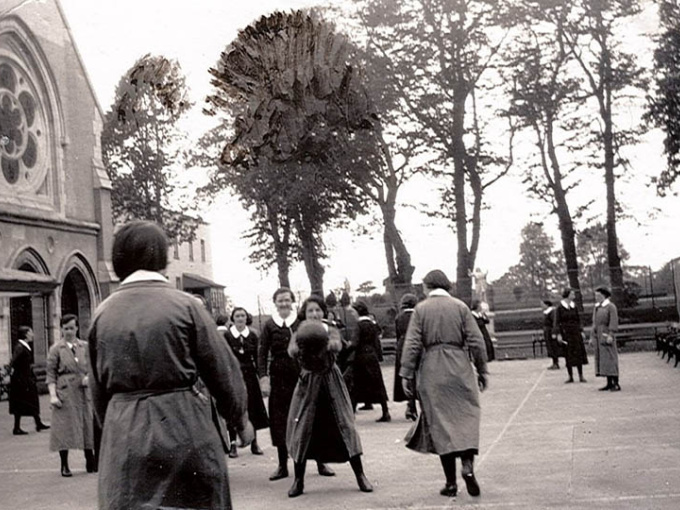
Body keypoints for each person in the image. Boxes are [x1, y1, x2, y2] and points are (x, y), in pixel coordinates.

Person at [88, 220, 251, 510]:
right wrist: (239, 420)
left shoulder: (102, 315)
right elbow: (222, 371)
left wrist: (117, 423)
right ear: (162, 258)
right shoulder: (187, 306)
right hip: (184, 426)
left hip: (124, 432)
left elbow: (99, 395)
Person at [400, 269, 488, 498]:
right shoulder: (460, 307)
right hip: (459, 366)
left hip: (432, 369)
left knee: (440, 425)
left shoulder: (420, 310)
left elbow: (412, 344)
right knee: (465, 419)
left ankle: (450, 483)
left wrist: (406, 373)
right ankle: (467, 467)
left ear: (428, 286)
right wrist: (482, 370)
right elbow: (477, 341)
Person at [285, 295, 373, 497]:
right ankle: (298, 481)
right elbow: (292, 351)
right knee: (302, 429)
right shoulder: (298, 331)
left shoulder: (330, 329)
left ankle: (360, 475)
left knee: (346, 426)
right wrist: (301, 342)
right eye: (310, 311)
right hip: (308, 384)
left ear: (323, 312)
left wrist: (322, 339)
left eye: (318, 310)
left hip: (331, 382)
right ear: (304, 314)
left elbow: (337, 346)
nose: (315, 314)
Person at [258, 287, 335, 481]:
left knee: (311, 417)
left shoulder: (301, 322)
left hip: (302, 375)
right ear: (274, 303)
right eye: (280, 300)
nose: (284, 303)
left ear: (292, 302)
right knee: (281, 421)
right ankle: (282, 465)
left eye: (287, 300)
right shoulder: (269, 325)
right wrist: (263, 377)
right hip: (279, 377)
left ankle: (320, 462)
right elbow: (262, 352)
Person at [46, 315, 95, 477]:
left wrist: (90, 377)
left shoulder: (85, 347)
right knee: (64, 428)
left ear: (77, 328)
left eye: (71, 328)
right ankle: (64, 465)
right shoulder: (56, 349)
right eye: (65, 328)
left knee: (87, 425)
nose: (69, 331)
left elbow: (94, 367)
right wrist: (53, 396)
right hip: (65, 392)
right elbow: (51, 374)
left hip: (83, 391)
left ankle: (90, 459)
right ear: (61, 329)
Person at [223, 307, 268, 457]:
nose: (240, 319)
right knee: (234, 408)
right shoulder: (228, 336)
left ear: (246, 318)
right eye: (237, 316)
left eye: (243, 316)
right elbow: (225, 358)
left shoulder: (253, 336)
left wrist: (262, 377)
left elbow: (258, 357)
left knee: (252, 408)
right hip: (234, 376)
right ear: (233, 318)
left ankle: (254, 442)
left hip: (249, 376)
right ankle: (233, 443)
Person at [346, 301, 390, 422]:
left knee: (356, 384)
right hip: (372, 356)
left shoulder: (359, 325)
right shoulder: (372, 324)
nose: (352, 314)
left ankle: (351, 414)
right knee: (377, 383)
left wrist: (345, 348)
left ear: (358, 311)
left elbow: (354, 343)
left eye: (353, 311)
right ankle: (385, 411)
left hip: (361, 357)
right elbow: (376, 342)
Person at [9, 326, 49, 435]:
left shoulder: (23, 346)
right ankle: (17, 427)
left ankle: (38, 423)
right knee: (23, 402)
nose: (33, 334)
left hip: (25, 378)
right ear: (26, 334)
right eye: (31, 332)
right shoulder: (20, 347)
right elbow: (13, 361)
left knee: (31, 401)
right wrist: (12, 373)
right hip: (21, 380)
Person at [553, 288, 588, 384]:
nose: (574, 295)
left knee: (578, 353)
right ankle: (570, 376)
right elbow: (557, 322)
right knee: (568, 354)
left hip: (575, 332)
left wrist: (581, 331)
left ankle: (581, 375)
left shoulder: (574, 306)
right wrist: (558, 334)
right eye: (572, 293)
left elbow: (578, 319)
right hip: (566, 333)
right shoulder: (559, 308)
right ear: (567, 295)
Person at [393, 293, 418, 421]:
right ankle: (414, 406)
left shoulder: (399, 317)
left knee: (406, 376)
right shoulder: (417, 315)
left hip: (402, 346)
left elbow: (398, 334)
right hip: (415, 344)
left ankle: (410, 404)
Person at [591, 287, 621, 391]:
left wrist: (611, 334)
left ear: (604, 296)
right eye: (595, 296)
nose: (596, 298)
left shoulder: (611, 307)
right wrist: (592, 336)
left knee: (611, 358)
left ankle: (616, 383)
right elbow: (594, 323)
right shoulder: (597, 307)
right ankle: (609, 382)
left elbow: (613, 321)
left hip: (606, 334)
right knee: (603, 360)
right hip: (598, 336)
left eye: (598, 296)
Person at [542, 300, 560, 369]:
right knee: (550, 347)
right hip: (547, 332)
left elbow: (554, 323)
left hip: (550, 331)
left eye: (543, 304)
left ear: (547, 305)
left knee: (553, 347)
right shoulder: (546, 312)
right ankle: (554, 362)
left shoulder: (552, 312)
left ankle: (556, 363)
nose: (542, 306)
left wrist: (554, 332)